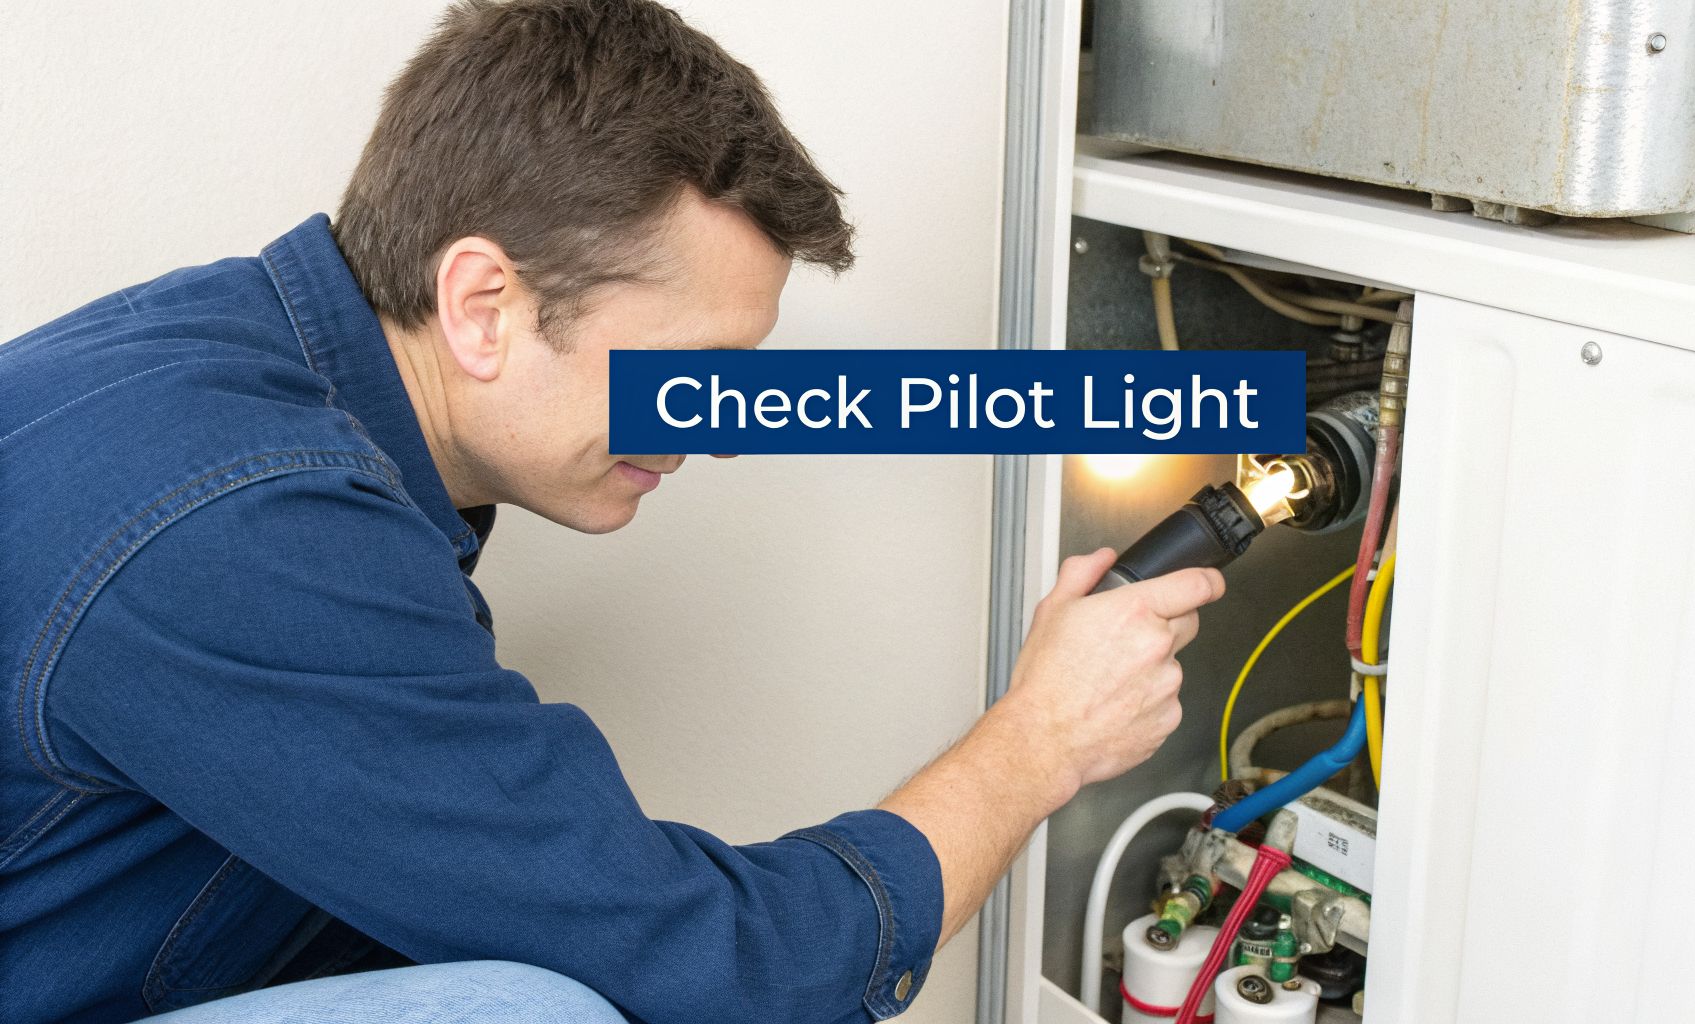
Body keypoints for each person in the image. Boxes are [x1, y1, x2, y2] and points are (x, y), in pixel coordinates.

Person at [0, 2, 1223, 1022]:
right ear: (482, 305)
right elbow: (720, 970)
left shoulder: (226, 363)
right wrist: (1040, 740)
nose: (717, 430)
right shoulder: (246, 530)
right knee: (532, 1012)